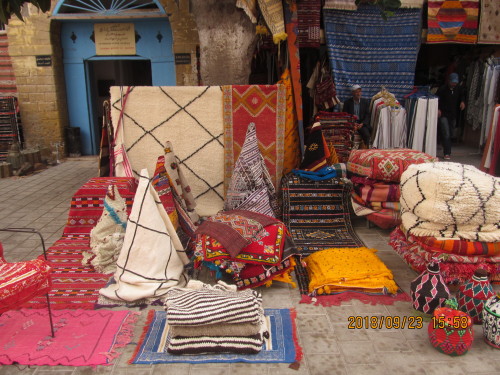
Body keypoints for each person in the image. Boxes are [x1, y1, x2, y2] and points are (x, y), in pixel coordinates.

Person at [436, 72, 465, 160]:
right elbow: (437, 99)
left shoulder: (458, 89)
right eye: (453, 82)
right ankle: (447, 152)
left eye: (455, 82)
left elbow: (462, 96)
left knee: (450, 133)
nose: (454, 84)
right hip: (444, 114)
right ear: (449, 81)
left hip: (453, 115)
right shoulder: (442, 89)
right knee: (446, 133)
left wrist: (462, 102)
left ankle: (442, 144)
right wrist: (438, 109)